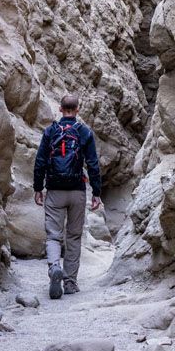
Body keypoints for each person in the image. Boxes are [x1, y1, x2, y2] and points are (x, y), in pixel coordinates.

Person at [33, 93, 102, 299]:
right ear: (77, 110)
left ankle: (55, 267)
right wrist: (96, 193)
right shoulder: (84, 132)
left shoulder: (50, 131)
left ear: (61, 109)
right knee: (73, 236)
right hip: (77, 191)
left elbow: (40, 162)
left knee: (54, 235)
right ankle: (70, 282)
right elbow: (93, 164)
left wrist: (38, 188)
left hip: (54, 190)